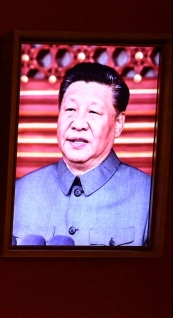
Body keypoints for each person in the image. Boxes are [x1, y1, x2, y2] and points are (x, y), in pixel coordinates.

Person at [12, 62, 151, 246]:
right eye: (70, 110)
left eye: (93, 112)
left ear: (118, 123)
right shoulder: (19, 192)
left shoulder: (150, 197)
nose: (78, 124)